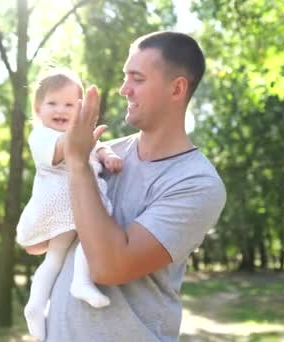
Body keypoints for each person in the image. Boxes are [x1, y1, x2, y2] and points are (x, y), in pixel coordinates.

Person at [41, 31, 227, 341]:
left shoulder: (197, 183)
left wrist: (76, 162)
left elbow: (109, 267)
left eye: (137, 79)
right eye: (126, 77)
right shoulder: (102, 154)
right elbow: (42, 241)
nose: (123, 89)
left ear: (176, 88)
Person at [16, 68, 123, 341]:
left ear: (80, 109)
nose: (60, 110)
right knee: (98, 227)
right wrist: (84, 134)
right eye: (52, 103)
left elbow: (97, 147)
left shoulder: (80, 134)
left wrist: (107, 154)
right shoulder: (40, 136)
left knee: (54, 259)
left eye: (69, 104)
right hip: (61, 202)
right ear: (38, 109)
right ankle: (81, 281)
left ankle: (36, 305)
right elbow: (67, 147)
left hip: (68, 205)